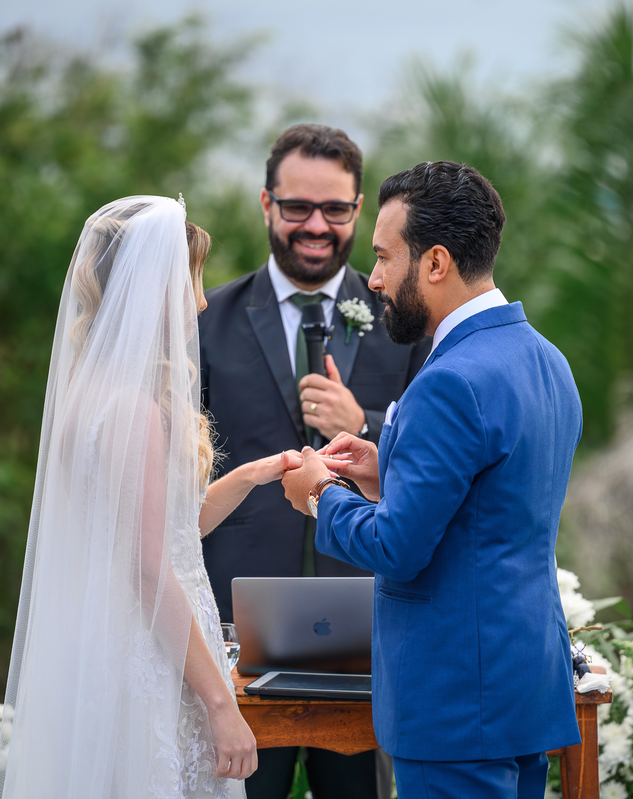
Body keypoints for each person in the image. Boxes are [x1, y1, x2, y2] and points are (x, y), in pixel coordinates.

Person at [280, 162, 584, 799]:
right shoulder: (547, 360)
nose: (376, 278)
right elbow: (490, 505)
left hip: (453, 703)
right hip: (523, 688)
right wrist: (382, 466)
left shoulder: (449, 380)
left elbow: (398, 547)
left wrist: (319, 494)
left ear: (437, 262)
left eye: (386, 257)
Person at [0, 196, 288, 798]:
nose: (202, 301)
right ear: (152, 286)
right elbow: (150, 570)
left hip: (122, 644)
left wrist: (253, 475)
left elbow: (170, 528)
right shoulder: (135, 412)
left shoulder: (89, 395)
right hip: (153, 660)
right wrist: (219, 703)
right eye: (192, 281)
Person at [198, 124, 430, 799]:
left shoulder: (403, 317)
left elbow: (440, 445)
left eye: (335, 209)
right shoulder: (209, 318)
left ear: (358, 210)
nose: (316, 226)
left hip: (367, 619)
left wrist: (367, 425)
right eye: (298, 207)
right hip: (237, 629)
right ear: (266, 205)